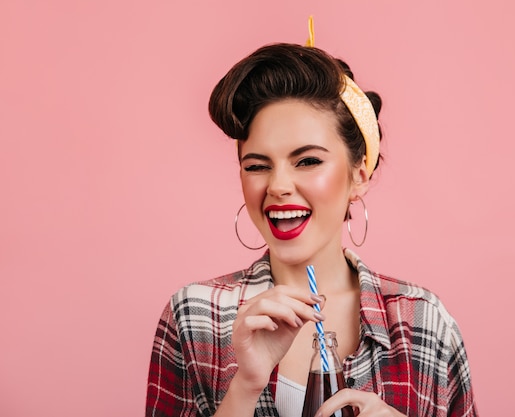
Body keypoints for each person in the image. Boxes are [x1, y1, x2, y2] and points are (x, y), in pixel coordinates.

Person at [146, 21, 478, 417]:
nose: (278, 186)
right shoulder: (195, 317)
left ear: (360, 174)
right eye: (257, 165)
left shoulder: (422, 323)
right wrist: (245, 385)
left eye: (308, 161)